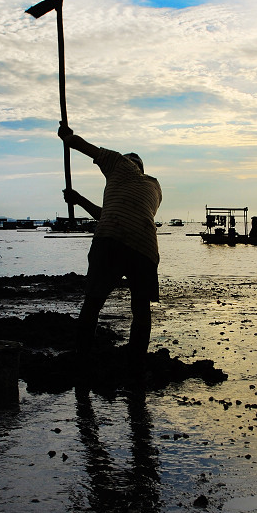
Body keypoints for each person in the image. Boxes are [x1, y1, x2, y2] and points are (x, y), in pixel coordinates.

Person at [57, 122, 162, 358]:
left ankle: (82, 357)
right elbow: (117, 215)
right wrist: (79, 200)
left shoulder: (118, 162)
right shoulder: (154, 186)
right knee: (141, 309)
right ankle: (137, 361)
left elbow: (83, 146)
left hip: (110, 239)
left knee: (93, 302)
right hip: (145, 247)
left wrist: (67, 137)